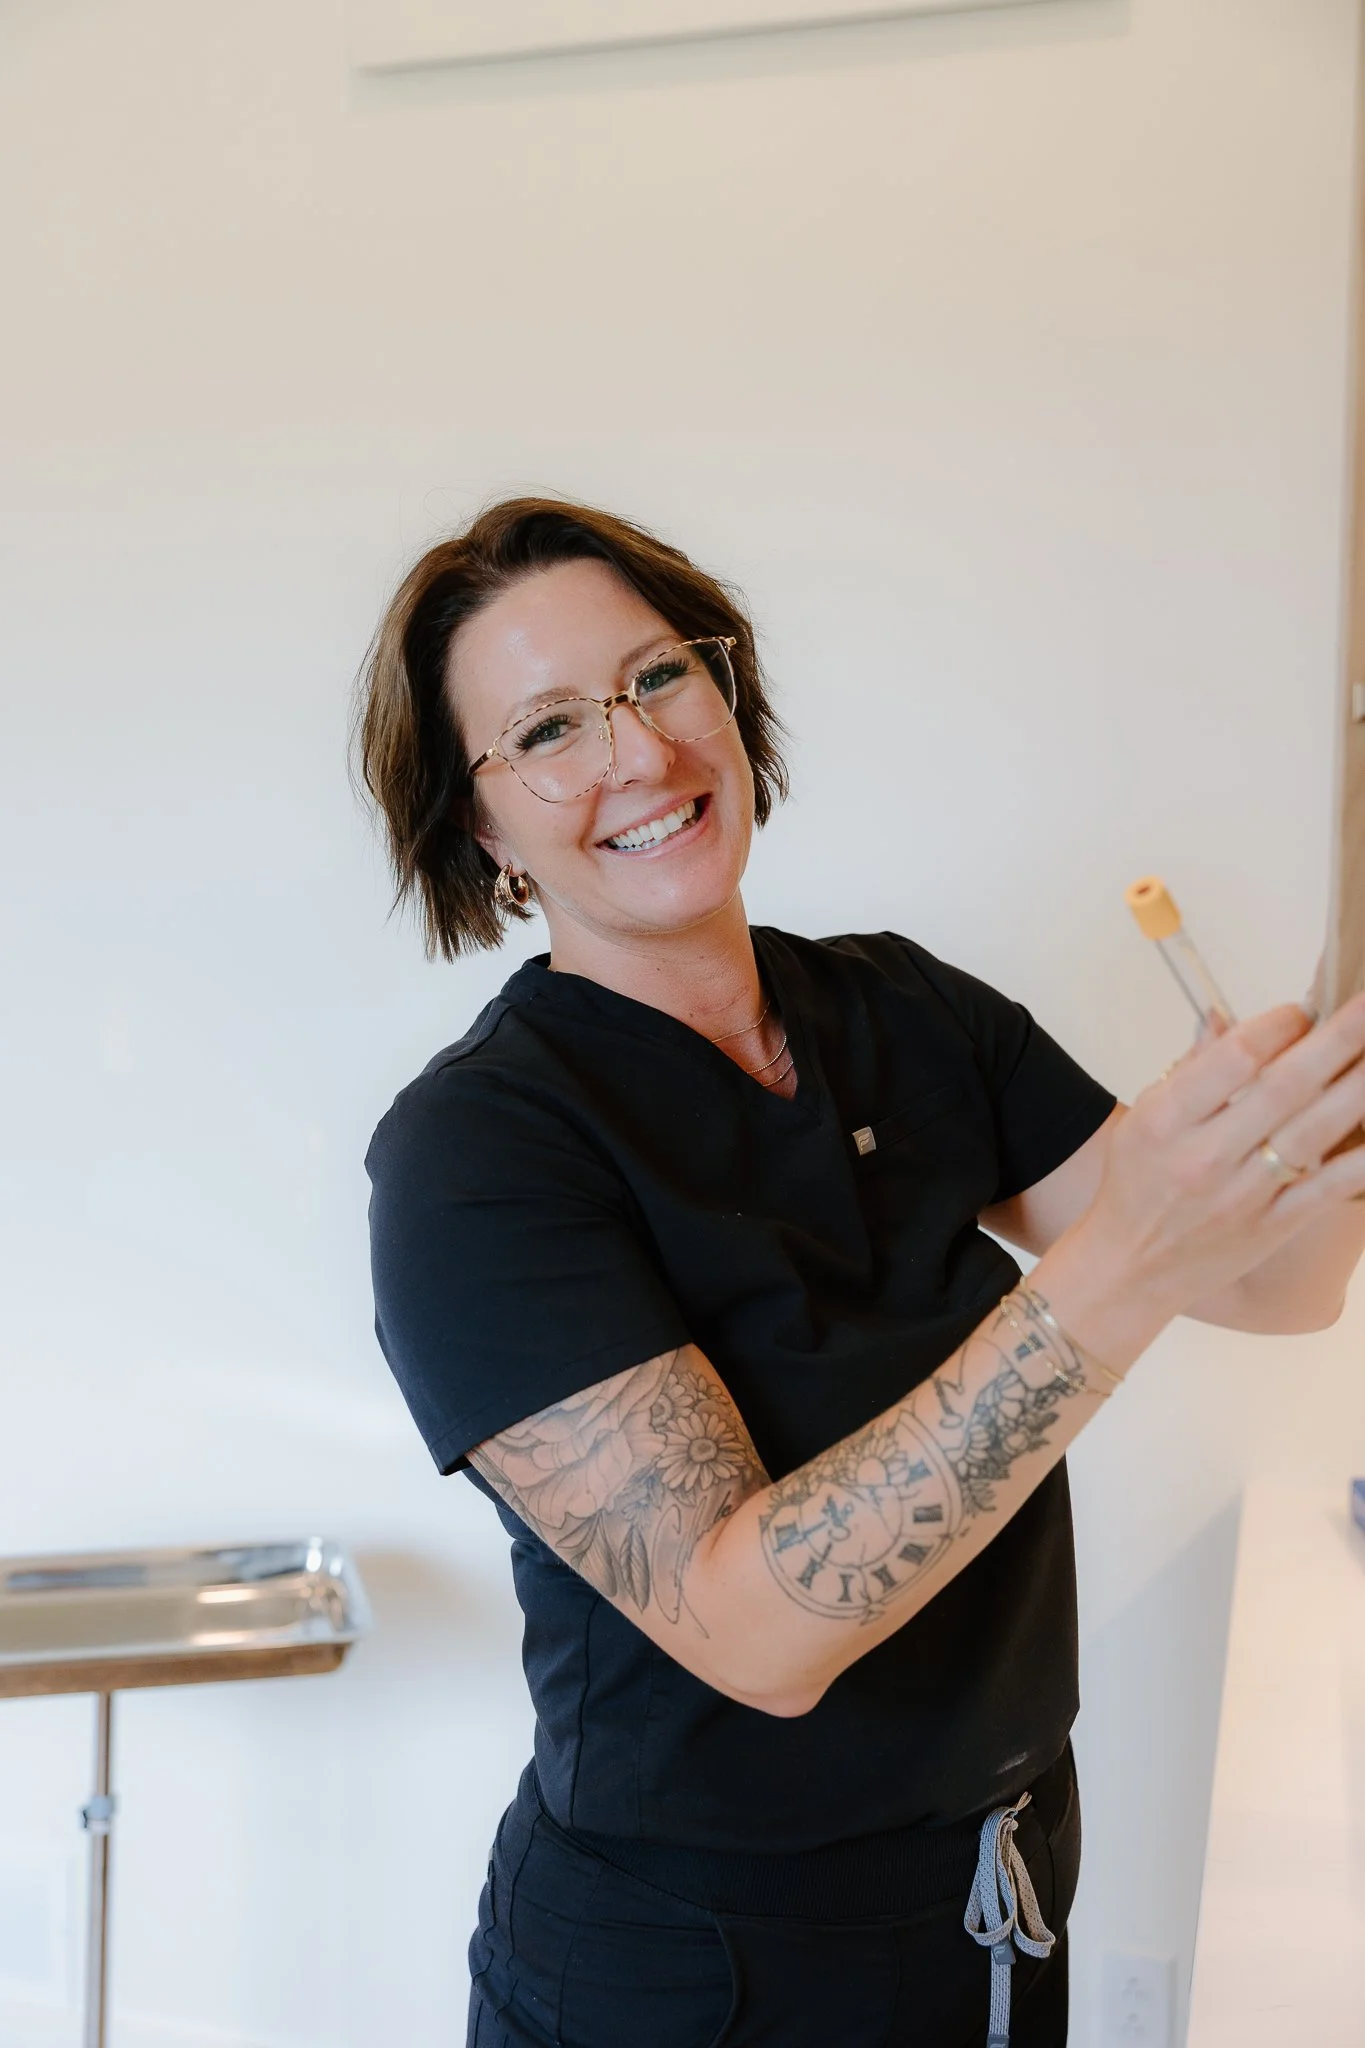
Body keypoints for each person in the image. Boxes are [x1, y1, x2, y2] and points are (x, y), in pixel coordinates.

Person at [358, 497, 1365, 2048]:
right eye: (549, 728)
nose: (636, 752)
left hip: (998, 1893)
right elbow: (756, 1636)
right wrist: (1129, 1255)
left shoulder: (903, 1007)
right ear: (480, 827)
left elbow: (1280, 1285)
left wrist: (1316, 1104)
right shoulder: (477, 1157)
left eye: (659, 677)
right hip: (695, 1972)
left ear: (728, 691)